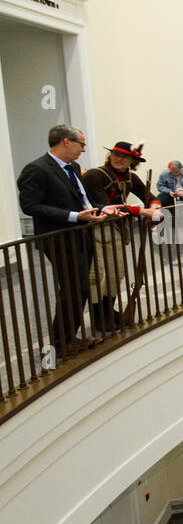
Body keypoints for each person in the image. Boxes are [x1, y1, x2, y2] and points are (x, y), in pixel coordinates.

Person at [16, 124, 119, 354]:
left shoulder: (73, 167)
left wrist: (104, 209)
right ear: (66, 141)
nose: (83, 149)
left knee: (80, 288)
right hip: (59, 238)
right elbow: (30, 206)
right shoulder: (36, 169)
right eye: (81, 144)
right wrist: (73, 216)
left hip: (82, 233)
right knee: (74, 287)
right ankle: (61, 343)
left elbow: (83, 201)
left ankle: (67, 338)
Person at [82, 141, 164, 332]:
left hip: (117, 230)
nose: (120, 159)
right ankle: (99, 316)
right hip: (97, 229)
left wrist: (154, 207)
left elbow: (151, 198)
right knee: (97, 275)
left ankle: (108, 311)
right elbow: (109, 207)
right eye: (117, 155)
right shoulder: (95, 175)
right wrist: (144, 212)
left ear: (132, 161)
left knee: (116, 273)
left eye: (125, 157)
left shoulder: (130, 177)